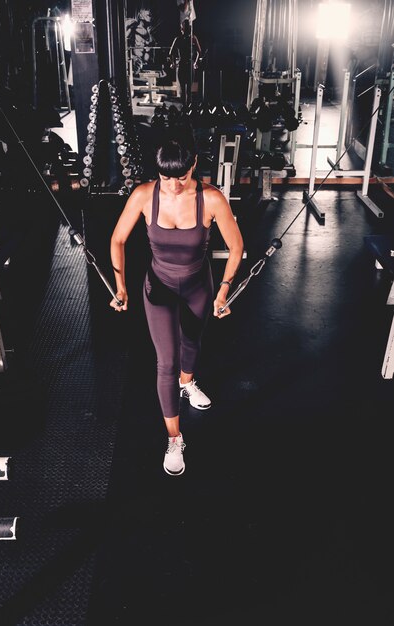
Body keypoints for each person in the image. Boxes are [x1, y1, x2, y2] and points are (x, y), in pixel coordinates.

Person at [109, 130, 244, 476]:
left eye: (181, 177)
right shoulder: (143, 195)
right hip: (159, 288)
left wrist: (225, 289)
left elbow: (236, 247)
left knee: (192, 344)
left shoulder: (211, 199)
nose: (173, 186)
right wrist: (120, 287)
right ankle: (174, 438)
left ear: (193, 166)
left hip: (200, 286)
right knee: (166, 362)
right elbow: (117, 239)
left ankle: (188, 382)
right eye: (166, 178)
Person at [169, 19, 201, 106]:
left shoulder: (192, 38)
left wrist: (196, 63)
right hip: (184, 64)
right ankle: (185, 108)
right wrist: (173, 63)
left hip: (188, 65)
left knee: (187, 90)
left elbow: (199, 51)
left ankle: (187, 108)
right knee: (184, 90)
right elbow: (171, 52)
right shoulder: (179, 39)